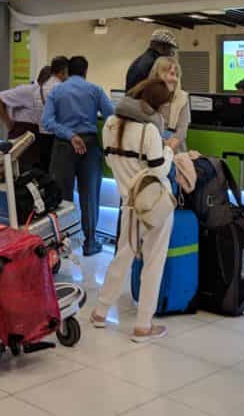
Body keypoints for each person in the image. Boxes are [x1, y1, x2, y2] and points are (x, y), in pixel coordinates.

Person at [90, 80, 175, 342]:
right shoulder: (149, 130)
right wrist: (169, 150)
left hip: (128, 200)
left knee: (122, 256)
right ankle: (143, 325)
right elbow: (159, 169)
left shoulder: (110, 124)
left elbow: (108, 159)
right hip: (153, 201)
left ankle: (101, 312)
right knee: (153, 261)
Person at [42, 56, 115, 256]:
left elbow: (46, 121)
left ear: (68, 71)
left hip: (63, 147)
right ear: (85, 71)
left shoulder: (57, 91)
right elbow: (111, 116)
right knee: (89, 196)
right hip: (89, 147)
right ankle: (90, 243)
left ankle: (62, 245)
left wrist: (69, 134)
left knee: (61, 197)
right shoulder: (95, 90)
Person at [0, 71, 47, 169]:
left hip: (39, 138)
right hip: (23, 135)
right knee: (20, 170)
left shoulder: (46, 93)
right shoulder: (28, 90)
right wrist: (8, 123)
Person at [143, 56, 190, 153]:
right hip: (150, 141)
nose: (173, 74)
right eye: (168, 70)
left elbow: (182, 130)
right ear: (157, 74)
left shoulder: (182, 97)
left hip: (173, 146)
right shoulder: (146, 95)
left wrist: (168, 149)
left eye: (176, 72)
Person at [37, 56, 69, 173]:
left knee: (45, 168)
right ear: (63, 71)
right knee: (56, 170)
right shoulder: (60, 88)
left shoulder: (42, 87)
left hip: (42, 133)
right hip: (56, 135)